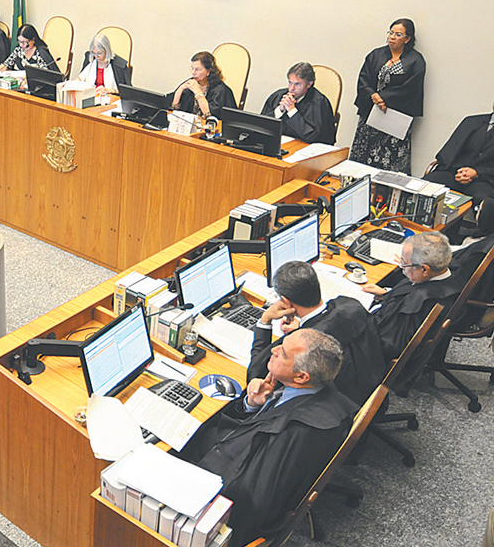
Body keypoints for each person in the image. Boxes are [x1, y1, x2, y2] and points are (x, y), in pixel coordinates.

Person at [179, 328, 356, 546]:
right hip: (235, 449)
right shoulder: (318, 390)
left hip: (219, 496)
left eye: (283, 353)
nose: (274, 349)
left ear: (301, 376)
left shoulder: (295, 431)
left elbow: (250, 498)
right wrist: (252, 405)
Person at [248, 261, 384, 405]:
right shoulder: (350, 305)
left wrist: (265, 320)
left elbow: (256, 374)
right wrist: (303, 325)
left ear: (286, 301)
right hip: (371, 393)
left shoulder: (304, 342)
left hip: (340, 406)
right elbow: (334, 327)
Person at [363, 231, 461, 361]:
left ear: (424, 269)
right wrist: (387, 294)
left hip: (371, 354)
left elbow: (388, 345)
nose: (402, 267)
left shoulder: (417, 304)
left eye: (404, 263)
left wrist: (362, 318)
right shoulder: (451, 277)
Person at [349, 18, 426, 174]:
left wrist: (384, 98)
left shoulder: (415, 60)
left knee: (389, 162)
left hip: (394, 119)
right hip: (370, 113)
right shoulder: (376, 54)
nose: (392, 37)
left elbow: (411, 89)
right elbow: (363, 79)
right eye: (391, 33)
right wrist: (373, 96)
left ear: (407, 39)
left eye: (398, 34)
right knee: (362, 160)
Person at [423, 100, 494, 198]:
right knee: (425, 186)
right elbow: (448, 153)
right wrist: (461, 172)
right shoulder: (471, 121)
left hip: (485, 181)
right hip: (454, 174)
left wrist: (476, 173)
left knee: (485, 200)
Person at [260, 62, 336, 144]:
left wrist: (292, 111)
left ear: (309, 84)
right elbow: (260, 125)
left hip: (305, 148)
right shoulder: (278, 96)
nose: (292, 88)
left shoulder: (319, 103)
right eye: (290, 82)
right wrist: (279, 111)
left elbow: (313, 137)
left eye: (297, 84)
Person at [171, 51, 236, 120]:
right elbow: (173, 110)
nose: (193, 72)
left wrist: (198, 93)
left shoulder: (220, 90)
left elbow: (211, 116)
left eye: (198, 69)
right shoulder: (191, 84)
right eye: (192, 68)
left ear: (208, 71)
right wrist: (180, 89)